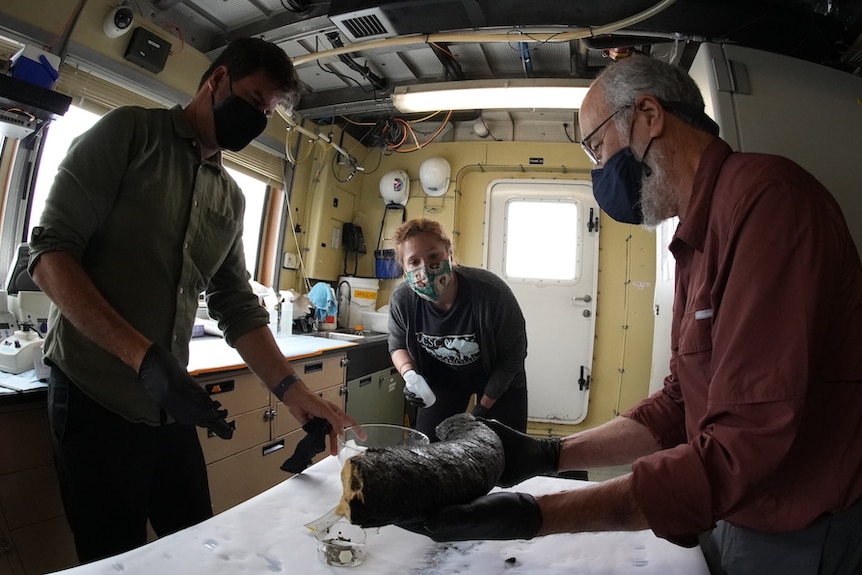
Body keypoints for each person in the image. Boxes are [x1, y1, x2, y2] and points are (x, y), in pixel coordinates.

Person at [402, 55, 862, 574]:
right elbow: (678, 405)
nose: (598, 172)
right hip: (737, 507)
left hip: (801, 521)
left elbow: (748, 442)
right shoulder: (695, 237)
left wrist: (534, 514)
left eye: (596, 148)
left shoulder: (766, 202)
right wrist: (549, 455)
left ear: (648, 116)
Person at [28, 37, 357, 563]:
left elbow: (236, 305)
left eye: (267, 113)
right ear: (217, 81)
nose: (256, 120)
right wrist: (144, 359)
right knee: (114, 557)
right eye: (252, 102)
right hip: (96, 397)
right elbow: (48, 258)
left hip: (168, 406)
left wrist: (293, 391)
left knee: (200, 545)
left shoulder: (230, 196)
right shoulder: (130, 134)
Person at [388, 218, 528, 441]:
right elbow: (397, 345)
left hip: (497, 373)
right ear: (404, 269)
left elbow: (514, 355)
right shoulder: (403, 299)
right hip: (444, 378)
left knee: (507, 448)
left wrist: (481, 410)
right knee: (428, 446)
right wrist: (410, 375)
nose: (425, 268)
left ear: (448, 252)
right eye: (414, 261)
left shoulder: (491, 292)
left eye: (434, 256)